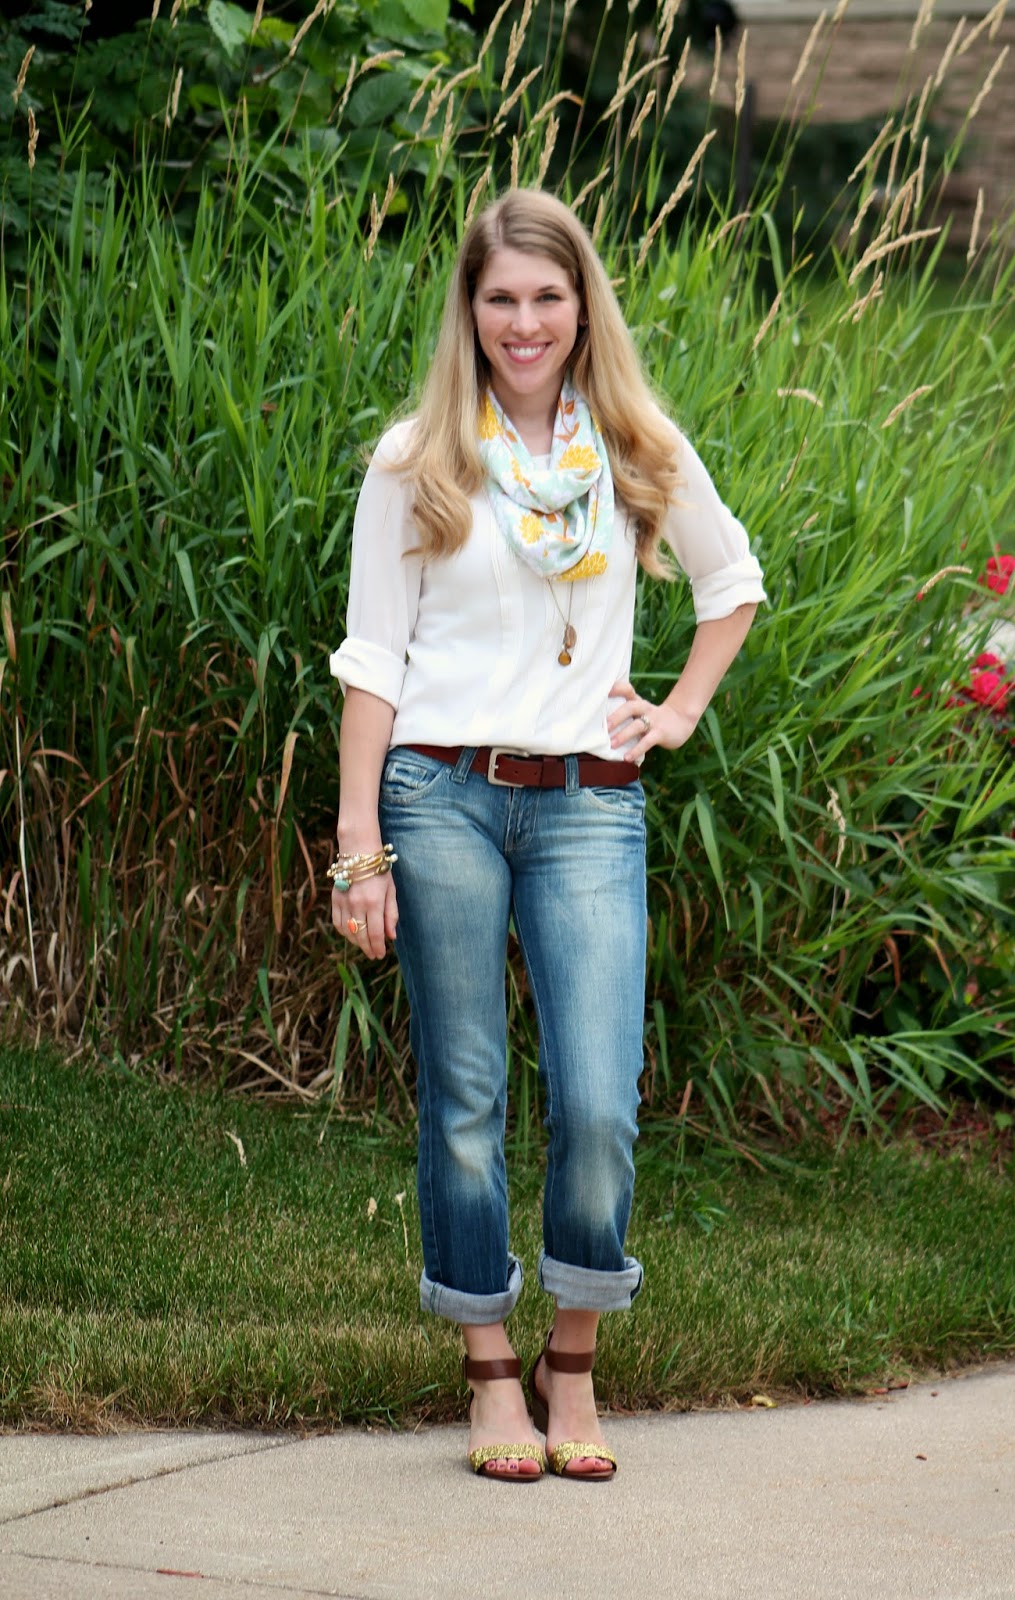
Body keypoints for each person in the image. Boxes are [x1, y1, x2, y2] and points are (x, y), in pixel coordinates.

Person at [328, 188, 766, 1482]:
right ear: (469, 310)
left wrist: (675, 713)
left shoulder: (634, 448)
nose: (524, 321)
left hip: (586, 803)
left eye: (547, 296)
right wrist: (358, 843)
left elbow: (730, 581)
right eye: (500, 297)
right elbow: (372, 657)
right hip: (440, 794)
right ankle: (485, 1374)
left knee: (595, 1099)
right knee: (464, 1100)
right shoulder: (418, 458)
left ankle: (569, 1363)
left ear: (582, 307)